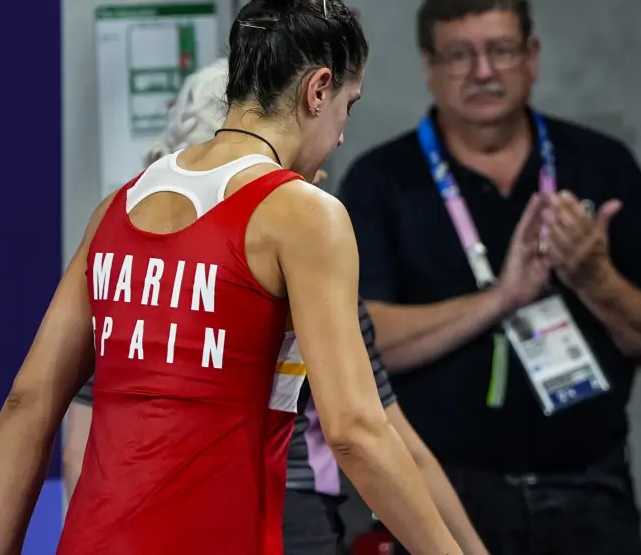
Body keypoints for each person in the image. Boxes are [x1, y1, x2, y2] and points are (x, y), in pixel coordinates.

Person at [0, 0, 461, 555]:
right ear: (318, 89)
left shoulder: (116, 207)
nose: (339, 137)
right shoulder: (305, 215)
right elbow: (357, 432)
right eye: (347, 107)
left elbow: (28, 403)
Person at [62, 57, 488, 554]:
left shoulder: (126, 250)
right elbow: (368, 433)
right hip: (278, 515)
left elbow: (61, 434)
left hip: (130, 518)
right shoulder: (304, 236)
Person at [339, 0, 641, 555]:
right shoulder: (382, 180)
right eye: (459, 55)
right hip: (444, 495)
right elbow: (360, 345)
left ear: (532, 55)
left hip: (590, 490)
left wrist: (596, 280)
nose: (482, 71)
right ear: (429, 65)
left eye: (500, 50)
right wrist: (501, 299)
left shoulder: (601, 165)